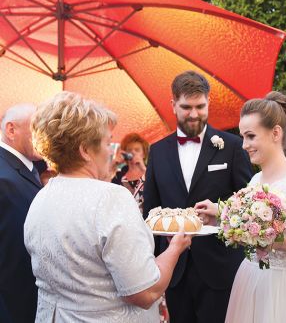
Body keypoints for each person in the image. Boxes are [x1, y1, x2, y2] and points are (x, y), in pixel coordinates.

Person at [24, 92, 191, 322]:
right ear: (84, 150)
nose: (110, 150)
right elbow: (146, 292)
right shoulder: (110, 198)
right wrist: (175, 248)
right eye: (106, 141)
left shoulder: (41, 198)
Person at [196, 91, 286, 323]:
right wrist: (222, 216)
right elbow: (251, 231)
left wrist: (278, 242)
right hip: (251, 280)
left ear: (275, 133)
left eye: (251, 136)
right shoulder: (255, 180)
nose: (244, 145)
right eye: (243, 137)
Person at [143, 71, 253, 323]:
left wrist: (220, 209)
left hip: (221, 266)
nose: (194, 114)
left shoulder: (233, 145)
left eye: (200, 106)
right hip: (173, 268)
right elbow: (150, 210)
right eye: (186, 107)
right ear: (173, 105)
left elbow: (248, 202)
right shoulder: (158, 151)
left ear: (208, 102)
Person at [0, 104, 41, 323]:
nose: (43, 135)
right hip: (12, 305)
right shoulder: (3, 176)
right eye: (36, 128)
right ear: (11, 130)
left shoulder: (29, 167)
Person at [112, 133, 149, 214]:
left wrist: (143, 168)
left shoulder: (150, 171)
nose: (133, 152)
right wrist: (114, 163)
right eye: (129, 150)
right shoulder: (119, 176)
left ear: (143, 154)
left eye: (137, 150)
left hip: (148, 221)